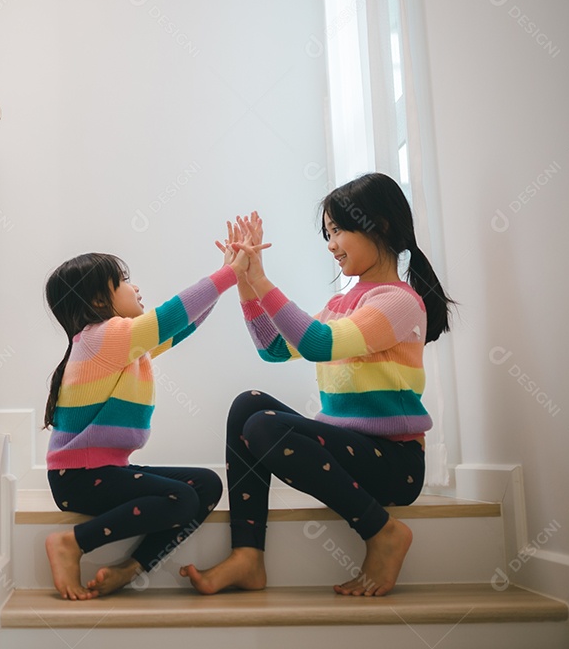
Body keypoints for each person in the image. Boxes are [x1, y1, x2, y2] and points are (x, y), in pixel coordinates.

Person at [181, 173, 455, 597]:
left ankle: (383, 533)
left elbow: (316, 343)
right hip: (351, 451)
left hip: (394, 464)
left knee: (264, 426)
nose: (331, 244)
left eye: (338, 230)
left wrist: (263, 280)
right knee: (247, 407)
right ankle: (248, 556)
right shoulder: (341, 303)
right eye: (328, 233)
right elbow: (273, 348)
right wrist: (247, 282)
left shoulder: (397, 302)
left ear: (379, 224)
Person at [43, 245, 256, 600]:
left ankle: (131, 567)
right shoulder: (103, 336)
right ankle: (72, 544)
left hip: (100, 472)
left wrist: (226, 275)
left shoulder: (117, 342)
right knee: (182, 497)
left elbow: (180, 326)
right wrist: (228, 275)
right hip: (80, 478)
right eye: (123, 281)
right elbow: (171, 315)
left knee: (205, 485)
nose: (135, 287)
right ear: (98, 300)